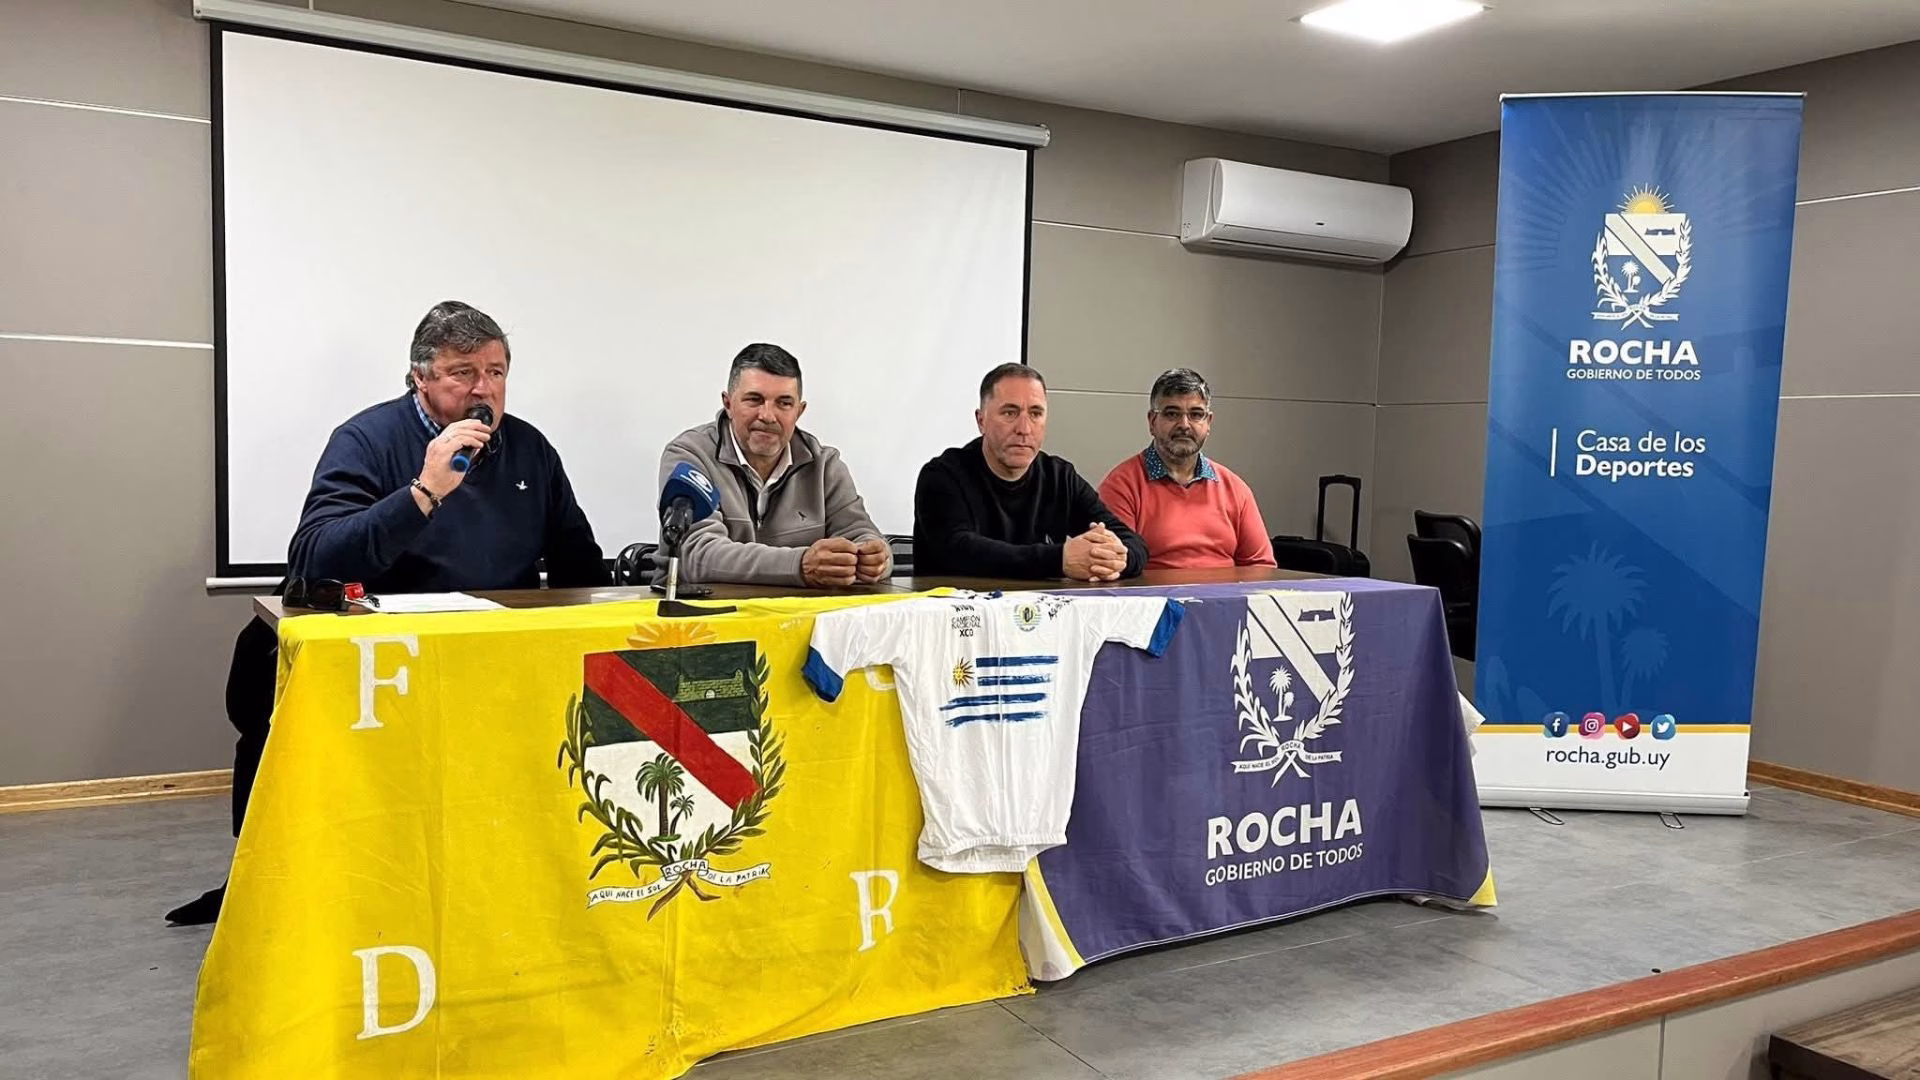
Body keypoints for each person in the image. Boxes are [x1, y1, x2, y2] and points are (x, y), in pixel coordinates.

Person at [166, 300, 608, 927]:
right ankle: (265, 884)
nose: (483, 389)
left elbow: (579, 566)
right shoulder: (368, 439)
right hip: (377, 654)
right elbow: (315, 559)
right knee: (263, 671)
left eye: (496, 372)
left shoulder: (530, 450)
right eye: (462, 372)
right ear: (420, 378)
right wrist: (424, 492)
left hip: (488, 655)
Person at [657, 343, 890, 587]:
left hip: (798, 609)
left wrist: (874, 559)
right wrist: (798, 566)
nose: (768, 416)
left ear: (799, 411)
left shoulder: (824, 466)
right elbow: (697, 556)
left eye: (784, 403)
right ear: (728, 404)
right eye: (754, 400)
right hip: (699, 609)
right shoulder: (689, 454)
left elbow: (861, 533)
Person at [914, 363, 1146, 581]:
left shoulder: (1060, 477)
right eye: (1009, 413)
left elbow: (1133, 543)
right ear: (981, 420)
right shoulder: (943, 476)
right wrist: (1059, 560)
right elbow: (957, 551)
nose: (1024, 429)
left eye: (1035, 414)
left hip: (1040, 608)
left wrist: (1116, 559)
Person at [1098, 368, 1276, 571]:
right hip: (1156, 593)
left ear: (1208, 423)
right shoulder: (1121, 487)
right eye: (1172, 414)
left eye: (1196, 414)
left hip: (1226, 592)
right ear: (1152, 422)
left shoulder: (1235, 489)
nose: (1184, 425)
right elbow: (1115, 567)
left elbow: (1261, 567)